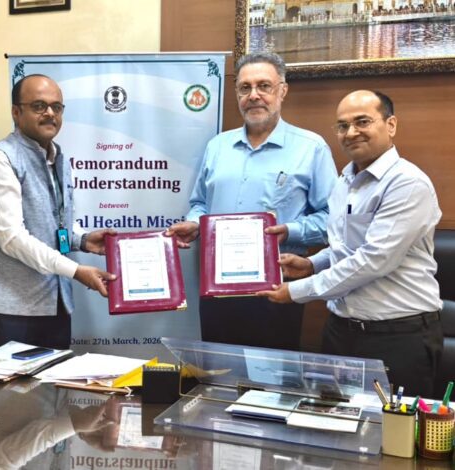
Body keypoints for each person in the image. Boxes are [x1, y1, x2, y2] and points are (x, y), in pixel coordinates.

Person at [258, 90, 443, 397]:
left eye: (362, 122)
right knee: (335, 421)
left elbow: (373, 260)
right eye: (343, 126)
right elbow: (347, 246)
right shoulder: (344, 181)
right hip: (341, 331)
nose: (351, 132)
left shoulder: (407, 183)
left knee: (392, 427)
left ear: (391, 124)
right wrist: (311, 264)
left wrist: (297, 291)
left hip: (397, 336)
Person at [166, 52, 337, 351]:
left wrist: (289, 231)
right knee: (217, 370)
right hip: (217, 288)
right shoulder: (218, 146)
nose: (254, 95)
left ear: (282, 90)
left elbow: (332, 220)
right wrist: (194, 223)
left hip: (276, 289)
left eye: (264, 86)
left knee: (271, 376)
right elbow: (201, 204)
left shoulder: (311, 148)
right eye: (245, 88)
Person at [0, 74, 115, 352]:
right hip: (9, 309)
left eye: (56, 107)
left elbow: (54, 224)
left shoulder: (59, 158)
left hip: (55, 304)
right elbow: (12, 238)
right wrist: (75, 270)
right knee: (9, 384)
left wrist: (83, 240)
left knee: (56, 381)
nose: (50, 113)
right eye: (39, 106)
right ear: (16, 112)